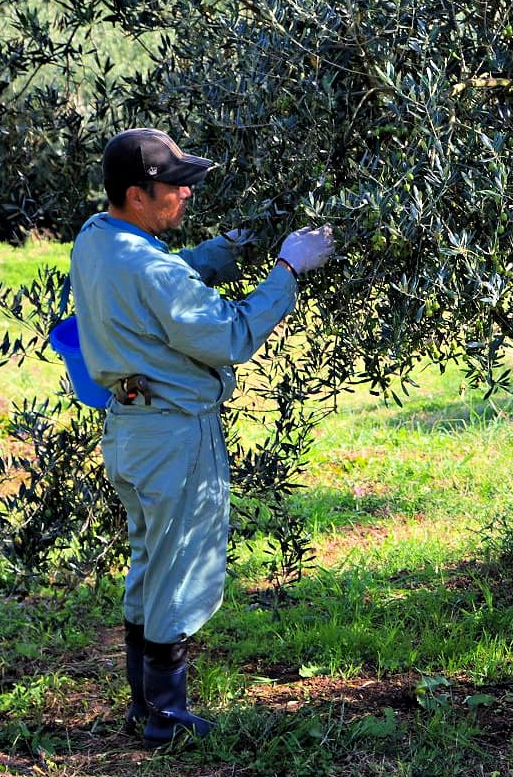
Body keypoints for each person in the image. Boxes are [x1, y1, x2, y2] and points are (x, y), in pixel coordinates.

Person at [70, 127, 336, 744]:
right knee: (181, 568)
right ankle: (165, 714)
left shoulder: (98, 237)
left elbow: (156, 283)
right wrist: (288, 269)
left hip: (132, 431)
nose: (185, 195)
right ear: (138, 195)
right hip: (174, 436)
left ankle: (146, 705)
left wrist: (217, 253)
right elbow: (230, 335)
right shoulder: (145, 264)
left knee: (150, 562)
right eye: (175, 186)